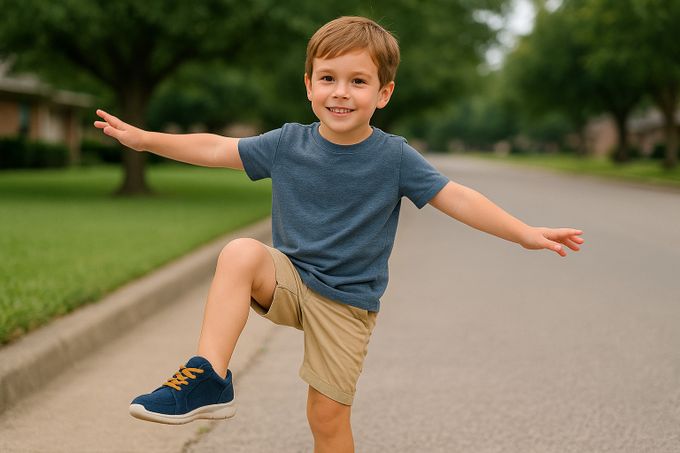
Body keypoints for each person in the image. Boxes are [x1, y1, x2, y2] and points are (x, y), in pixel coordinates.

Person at [94, 16, 584, 453]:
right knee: (241, 252)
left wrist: (522, 232)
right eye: (328, 78)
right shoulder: (287, 143)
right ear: (309, 86)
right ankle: (208, 377)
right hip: (289, 279)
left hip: (347, 303)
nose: (341, 93)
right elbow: (218, 148)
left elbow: (454, 196)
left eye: (358, 81)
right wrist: (143, 140)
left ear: (383, 94)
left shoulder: (394, 157)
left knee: (326, 418)